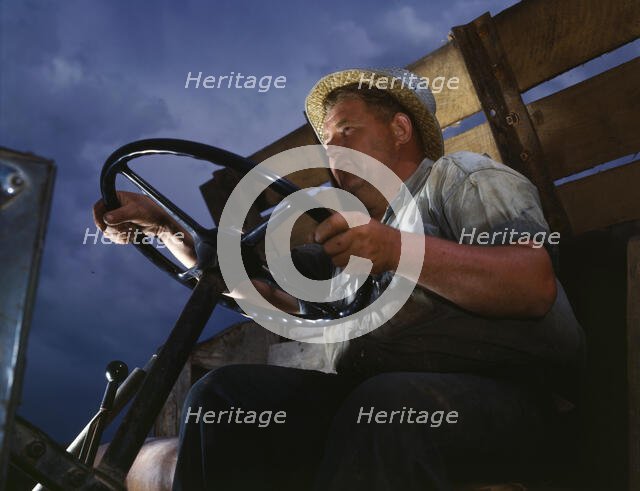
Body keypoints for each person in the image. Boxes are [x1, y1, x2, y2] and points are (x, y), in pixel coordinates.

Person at [93, 68, 585, 491]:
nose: (333, 152)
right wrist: (168, 231)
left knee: (384, 405)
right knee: (224, 397)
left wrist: (396, 250)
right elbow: (256, 292)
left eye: (347, 131)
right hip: (375, 402)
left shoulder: (461, 178)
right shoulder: (349, 240)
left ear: (399, 128)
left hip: (510, 403)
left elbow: (532, 283)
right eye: (326, 143)